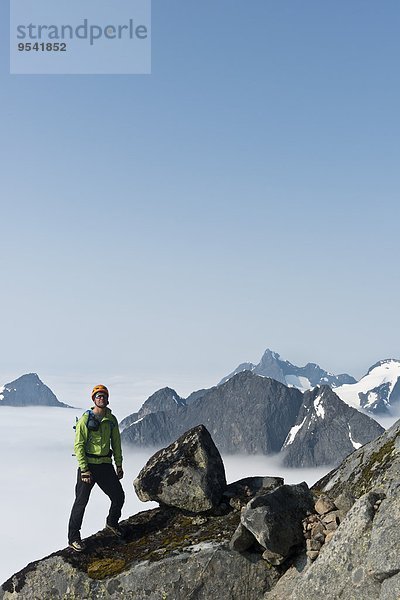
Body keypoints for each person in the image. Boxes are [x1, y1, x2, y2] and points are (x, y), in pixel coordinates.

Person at [68, 384, 125, 552]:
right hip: (89, 467)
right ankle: (73, 538)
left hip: (105, 465)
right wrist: (84, 469)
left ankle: (112, 523)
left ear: (107, 399)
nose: (101, 398)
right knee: (81, 502)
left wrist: (119, 464)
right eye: (98, 396)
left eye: (104, 396)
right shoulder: (86, 419)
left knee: (118, 496)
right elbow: (78, 446)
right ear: (93, 399)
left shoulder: (111, 420)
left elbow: (116, 443)